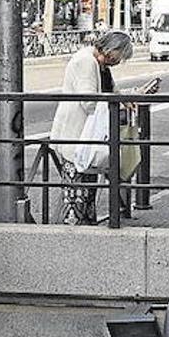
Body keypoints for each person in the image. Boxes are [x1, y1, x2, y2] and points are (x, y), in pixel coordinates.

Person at [50, 30, 135, 225]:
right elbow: (88, 101)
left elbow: (112, 91)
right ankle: (74, 233)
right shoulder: (86, 62)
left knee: (85, 191)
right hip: (76, 135)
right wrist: (115, 104)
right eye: (118, 57)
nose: (118, 62)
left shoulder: (100, 64)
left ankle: (85, 229)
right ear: (111, 49)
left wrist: (126, 99)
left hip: (87, 137)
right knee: (76, 193)